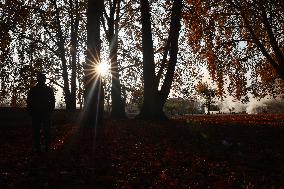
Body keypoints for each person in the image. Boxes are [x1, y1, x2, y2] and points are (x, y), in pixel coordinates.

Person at [27, 73, 55, 153]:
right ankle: (45, 147)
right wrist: (50, 111)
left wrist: (30, 111)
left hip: (39, 113)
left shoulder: (33, 90)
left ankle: (40, 148)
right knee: (45, 131)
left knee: (38, 131)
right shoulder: (48, 90)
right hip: (43, 113)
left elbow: (29, 102)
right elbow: (52, 102)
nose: (42, 80)